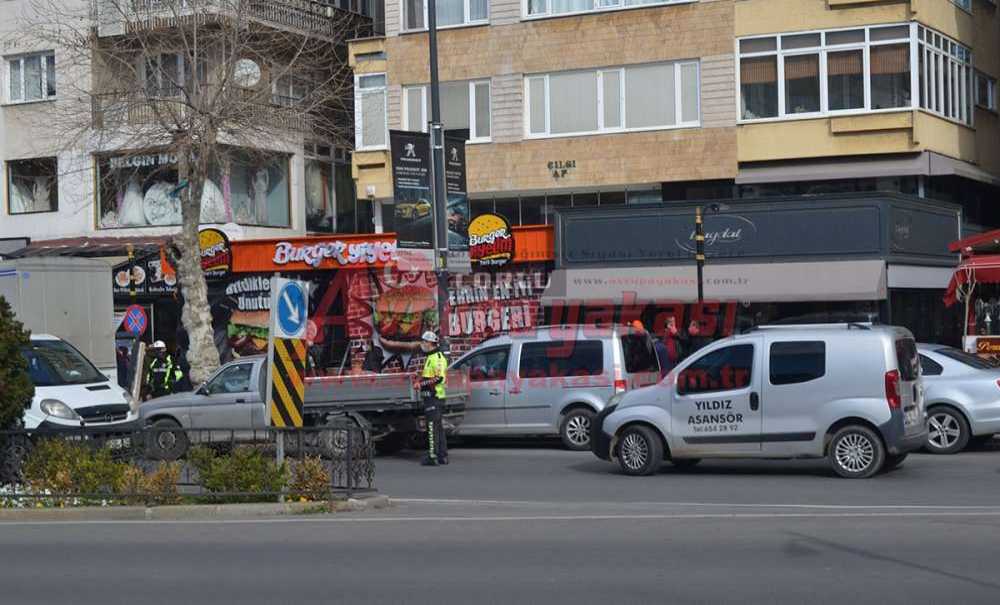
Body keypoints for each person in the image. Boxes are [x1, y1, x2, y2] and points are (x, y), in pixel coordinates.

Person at [417, 331, 448, 466]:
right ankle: (442, 456)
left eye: (424, 341)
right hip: (434, 397)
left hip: (434, 397)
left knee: (432, 427)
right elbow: (430, 376)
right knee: (438, 427)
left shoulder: (437, 357)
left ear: (430, 343)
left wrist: (420, 384)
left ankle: (432, 456)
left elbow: (438, 378)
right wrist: (421, 378)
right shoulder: (431, 357)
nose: (422, 344)